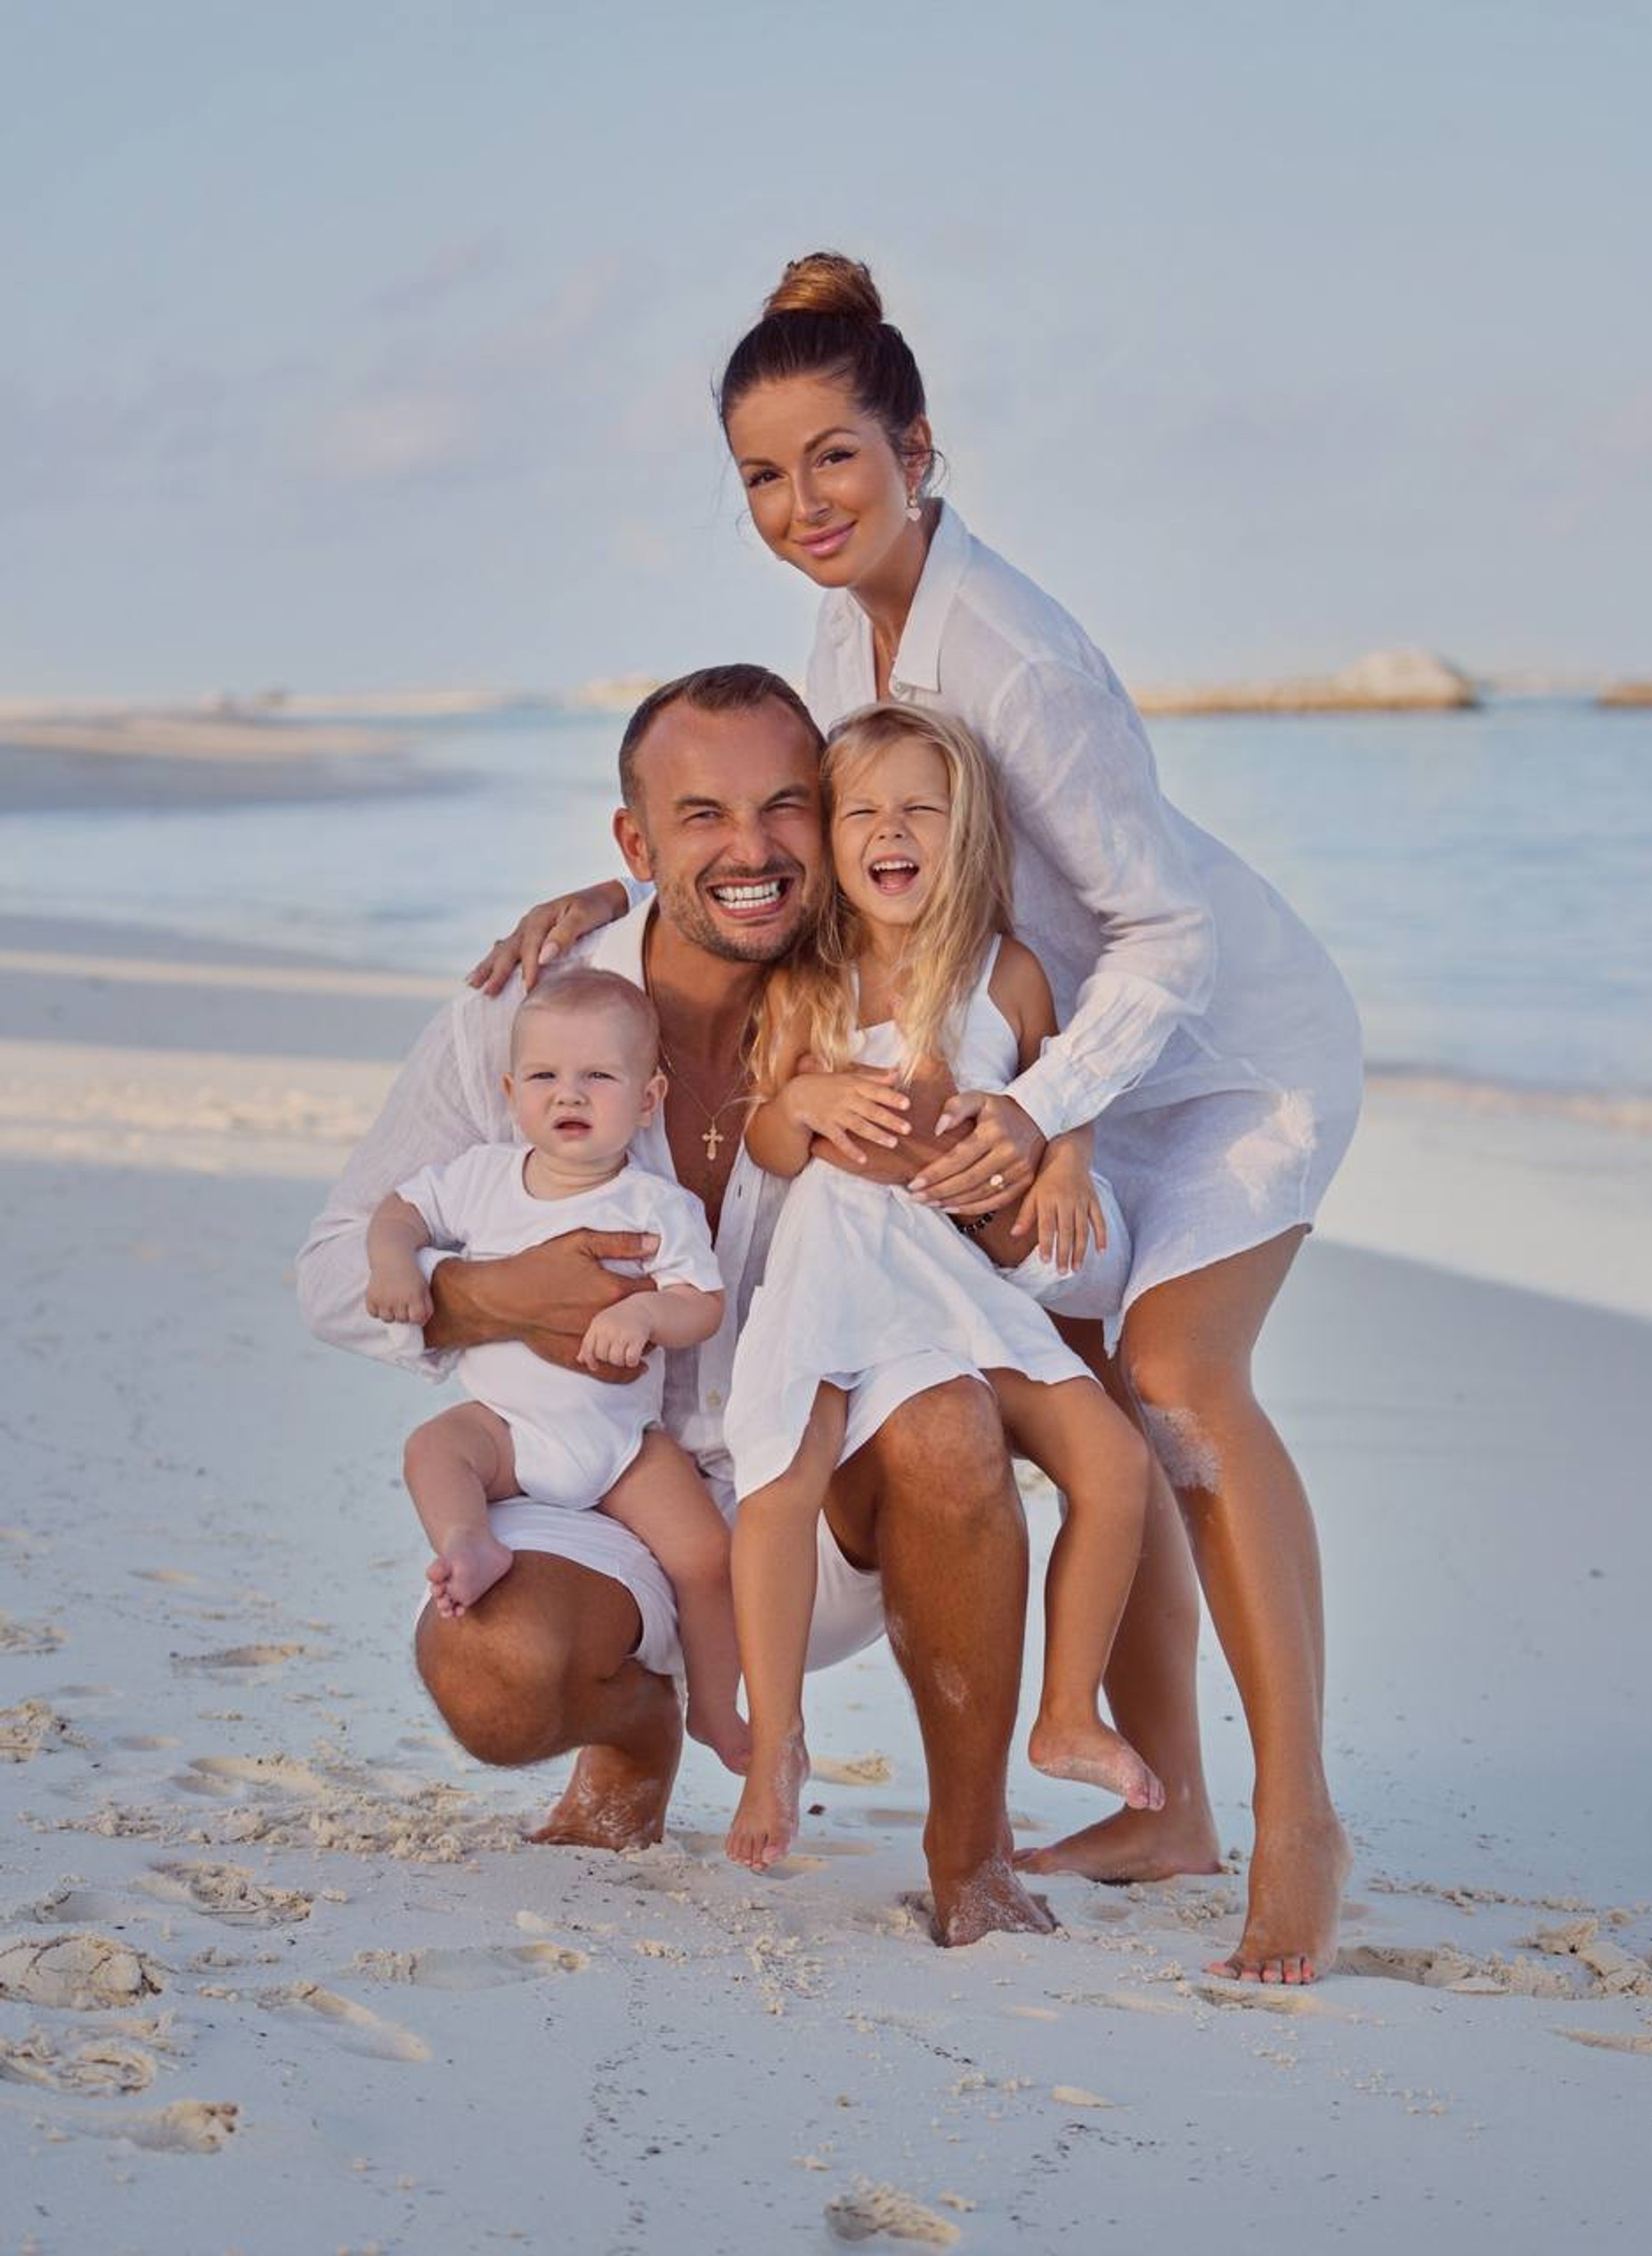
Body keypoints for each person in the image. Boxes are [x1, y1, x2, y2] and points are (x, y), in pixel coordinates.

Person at [472, 256, 1365, 1984]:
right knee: (1085, 1373)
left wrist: (1043, 1113)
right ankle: (1169, 1800)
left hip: (1212, 1049)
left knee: (1175, 1382)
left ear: (916, 448)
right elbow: (806, 855)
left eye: (835, 457)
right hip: (1041, 1050)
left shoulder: (1015, 653)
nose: (800, 501)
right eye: (761, 472)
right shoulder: (843, 624)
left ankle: (1296, 1818)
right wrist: (610, 911)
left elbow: (1167, 934)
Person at [298, 664, 1059, 1945]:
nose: (750, 850)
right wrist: (491, 1296)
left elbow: (1064, 1255)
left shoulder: (901, 998)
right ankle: (637, 1726)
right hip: (598, 1490)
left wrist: (1009, 1181)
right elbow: (331, 1268)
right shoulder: (524, 1015)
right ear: (634, 845)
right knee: (489, 1674)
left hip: (819, 1500)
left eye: (784, 806)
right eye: (701, 815)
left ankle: (971, 1855)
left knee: (948, 1419)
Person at [725, 702, 1160, 1870]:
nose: (891, 829)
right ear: (829, 837)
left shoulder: (1006, 974)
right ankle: (776, 1740)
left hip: (951, 1272)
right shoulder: (811, 979)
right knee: (781, 1476)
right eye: (862, 810)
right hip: (835, 1256)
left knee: (1114, 1466)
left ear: (965, 831)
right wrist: (803, 1101)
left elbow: (1064, 1091)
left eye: (921, 807)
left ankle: (1065, 1711)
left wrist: (1065, 1163)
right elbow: (767, 1139)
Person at [363, 965, 748, 1772]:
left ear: (648, 1099)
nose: (568, 1094)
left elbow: (702, 1303)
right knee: (433, 1447)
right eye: (543, 1077)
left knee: (708, 1556)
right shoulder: (483, 1180)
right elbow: (399, 1211)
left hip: (622, 1443)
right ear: (511, 1093)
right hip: (505, 1428)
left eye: (598, 1077)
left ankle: (715, 1704)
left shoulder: (653, 1204)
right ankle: (470, 1541)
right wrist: (399, 1263)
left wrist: (646, 1314)